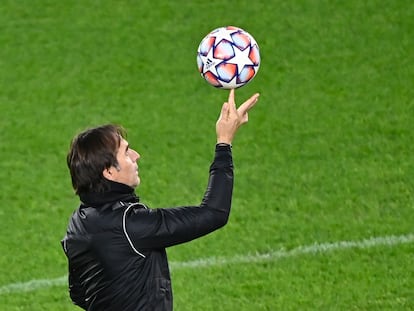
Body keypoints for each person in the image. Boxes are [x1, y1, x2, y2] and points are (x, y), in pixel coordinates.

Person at [61, 89, 260, 311]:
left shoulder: (78, 222)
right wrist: (224, 142)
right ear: (109, 172)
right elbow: (214, 213)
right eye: (126, 153)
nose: (136, 155)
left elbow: (79, 293)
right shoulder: (130, 225)